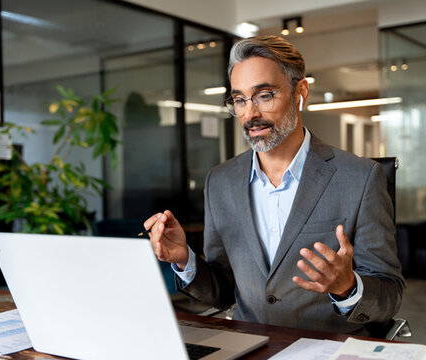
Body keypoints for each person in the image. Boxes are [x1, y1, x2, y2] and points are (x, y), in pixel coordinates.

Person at [144, 35, 403, 335]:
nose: (250, 114)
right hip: (249, 346)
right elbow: (223, 290)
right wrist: (185, 259)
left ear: (300, 92)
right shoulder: (220, 182)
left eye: (264, 95)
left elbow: (390, 294)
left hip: (327, 348)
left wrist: (347, 286)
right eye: (239, 100)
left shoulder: (361, 177)